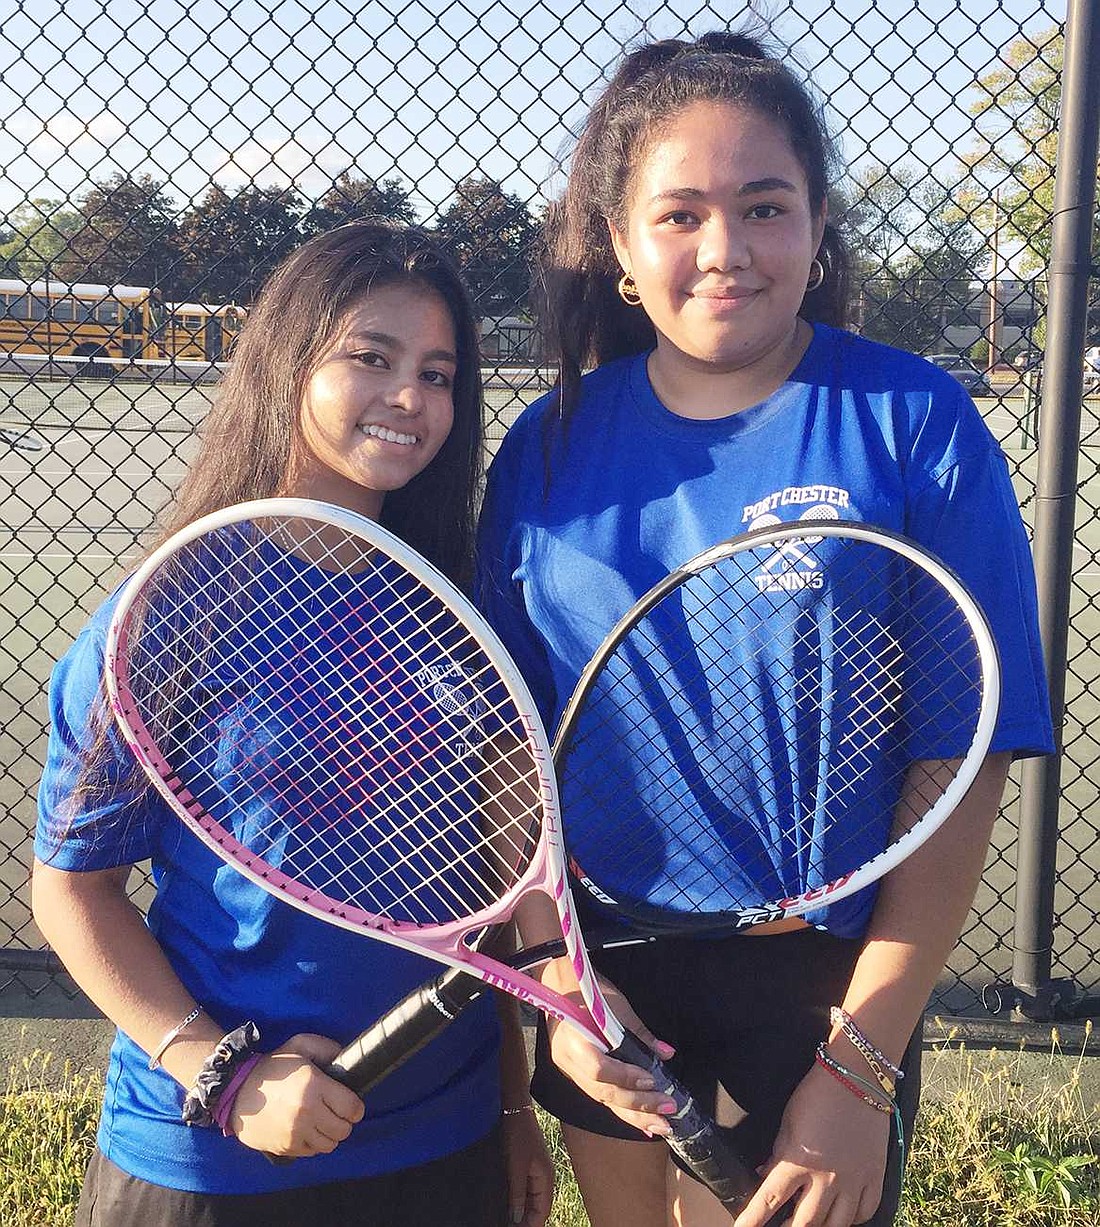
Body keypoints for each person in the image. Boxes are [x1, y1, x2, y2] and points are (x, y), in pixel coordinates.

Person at [475, 31, 1053, 1227]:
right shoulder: (544, 450)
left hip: (825, 988)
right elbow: (505, 760)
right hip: (611, 976)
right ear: (619, 247)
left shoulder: (911, 421)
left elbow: (961, 765)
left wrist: (857, 1062)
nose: (724, 250)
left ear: (817, 225)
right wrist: (555, 990)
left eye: (763, 206)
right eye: (679, 214)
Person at [33, 220, 552, 1227]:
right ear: (287, 361)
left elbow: (487, 895)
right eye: (372, 357)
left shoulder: (461, 610)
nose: (411, 397)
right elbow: (72, 892)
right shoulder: (168, 611)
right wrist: (223, 1074)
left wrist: (509, 1103)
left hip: (440, 1139)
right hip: (214, 1158)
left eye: (439, 374)